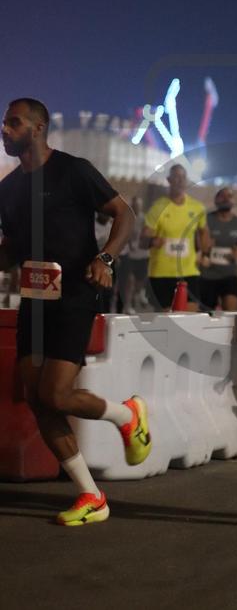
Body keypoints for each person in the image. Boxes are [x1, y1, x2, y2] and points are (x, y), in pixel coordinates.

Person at [0, 98, 152, 526]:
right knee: (37, 398)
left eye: (14, 123)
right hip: (35, 298)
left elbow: (123, 214)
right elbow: (10, 250)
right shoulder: (8, 189)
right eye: (4, 123)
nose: (5, 130)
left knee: (56, 394)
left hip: (76, 293)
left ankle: (127, 414)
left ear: (38, 128)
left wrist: (105, 258)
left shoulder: (73, 171)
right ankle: (91, 496)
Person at [141, 164, 210, 312]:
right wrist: (152, 241)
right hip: (161, 273)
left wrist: (205, 254)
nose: (179, 181)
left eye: (183, 177)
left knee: (191, 317)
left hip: (189, 272)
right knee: (166, 320)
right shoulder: (157, 207)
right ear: (169, 180)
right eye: (176, 177)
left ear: (187, 181)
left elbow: (204, 232)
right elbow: (142, 240)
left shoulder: (197, 207)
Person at [200, 187, 237, 312]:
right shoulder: (206, 220)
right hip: (207, 275)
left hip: (229, 275)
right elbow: (196, 245)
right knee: (206, 315)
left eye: (229, 196)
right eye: (222, 196)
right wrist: (204, 248)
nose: (225, 199)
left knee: (231, 314)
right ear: (215, 200)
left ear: (233, 201)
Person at [122, 195, 150, 314]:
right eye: (134, 206)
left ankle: (138, 294)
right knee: (130, 280)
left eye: (138, 206)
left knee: (140, 280)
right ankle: (128, 304)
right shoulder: (126, 218)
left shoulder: (145, 219)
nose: (136, 208)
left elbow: (148, 235)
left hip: (142, 255)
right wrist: (129, 243)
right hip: (129, 255)